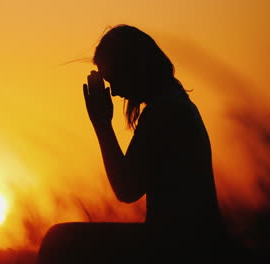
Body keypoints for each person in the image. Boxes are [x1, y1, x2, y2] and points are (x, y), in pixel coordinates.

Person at [38, 25, 229, 263]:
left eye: (114, 79)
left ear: (132, 68)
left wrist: (102, 124)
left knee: (59, 240)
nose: (115, 92)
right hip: (190, 239)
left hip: (181, 244)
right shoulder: (176, 105)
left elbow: (126, 189)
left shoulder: (165, 112)